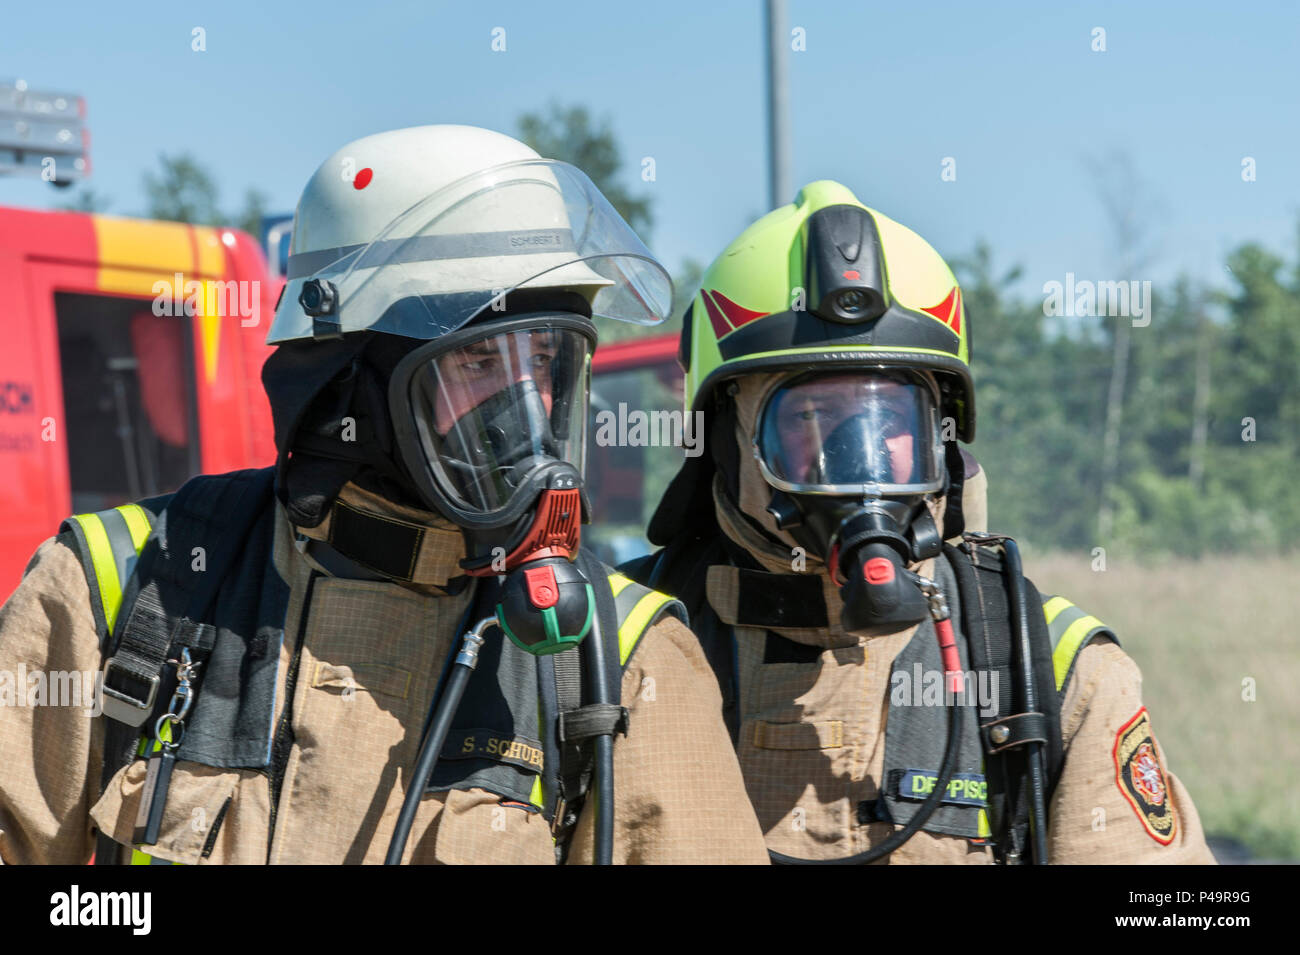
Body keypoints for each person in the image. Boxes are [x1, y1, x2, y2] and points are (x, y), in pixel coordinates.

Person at [0, 125, 769, 865]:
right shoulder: (119, 590)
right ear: (350, 384)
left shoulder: (621, 657)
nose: (525, 409)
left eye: (544, 361)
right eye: (478, 364)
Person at [622, 180, 1215, 864]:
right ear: (727, 439)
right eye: (809, 415)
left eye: (887, 418)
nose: (859, 458)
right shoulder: (620, 654)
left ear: (941, 435)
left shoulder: (1046, 669)